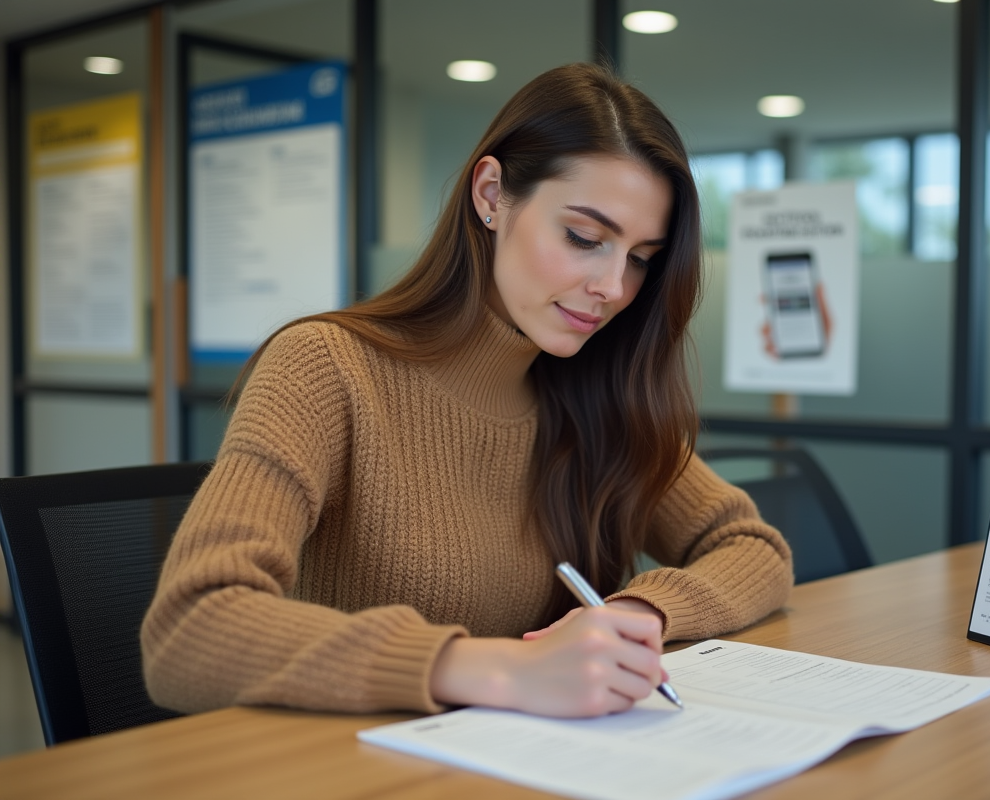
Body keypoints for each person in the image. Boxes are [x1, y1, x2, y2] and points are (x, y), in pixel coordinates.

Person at [141, 62, 793, 719]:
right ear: (490, 195)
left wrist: (639, 612)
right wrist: (503, 669)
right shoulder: (326, 368)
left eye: (641, 257)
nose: (614, 287)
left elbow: (752, 547)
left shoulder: (595, 392)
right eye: (584, 238)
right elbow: (189, 629)